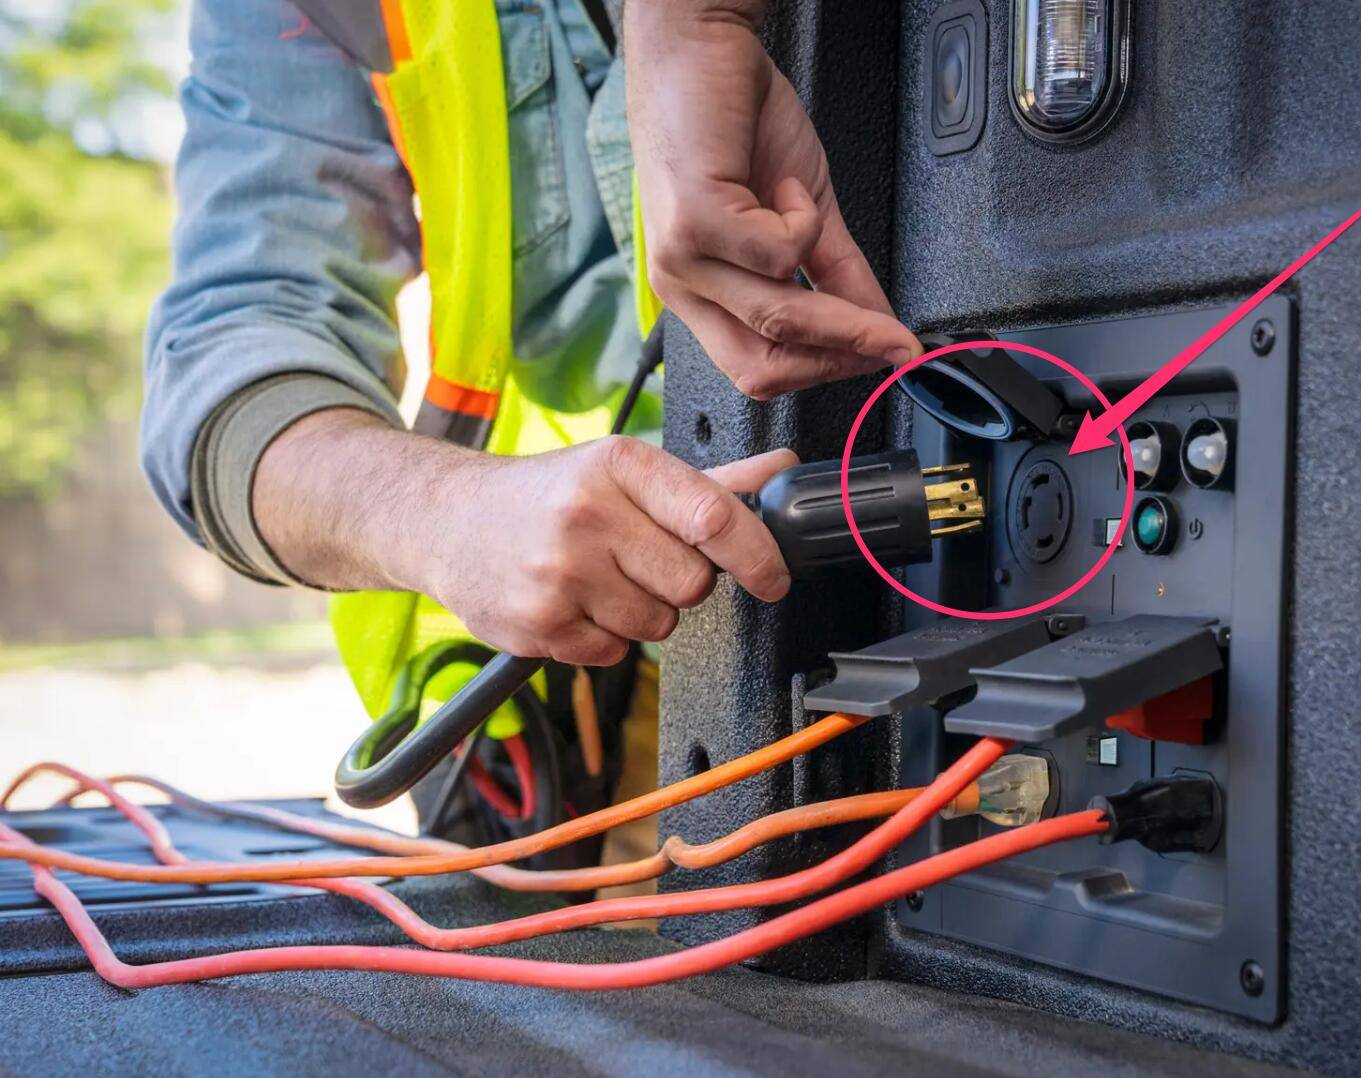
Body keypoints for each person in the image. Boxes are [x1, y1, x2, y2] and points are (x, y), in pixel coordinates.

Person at [140, 0, 918, 846]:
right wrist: (449, 516)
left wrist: (697, 19)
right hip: (608, 705)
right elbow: (228, 371)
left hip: (915, 610)